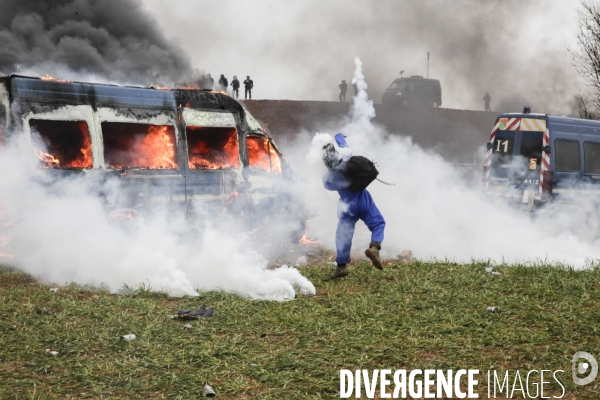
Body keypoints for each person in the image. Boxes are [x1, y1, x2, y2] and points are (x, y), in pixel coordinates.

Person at [322, 133, 385, 279]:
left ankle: (341, 267)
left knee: (343, 234)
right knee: (378, 223)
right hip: (363, 199)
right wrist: (338, 136)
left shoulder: (330, 179)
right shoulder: (348, 160)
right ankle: (374, 247)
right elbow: (344, 146)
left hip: (347, 207)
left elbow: (326, 184)